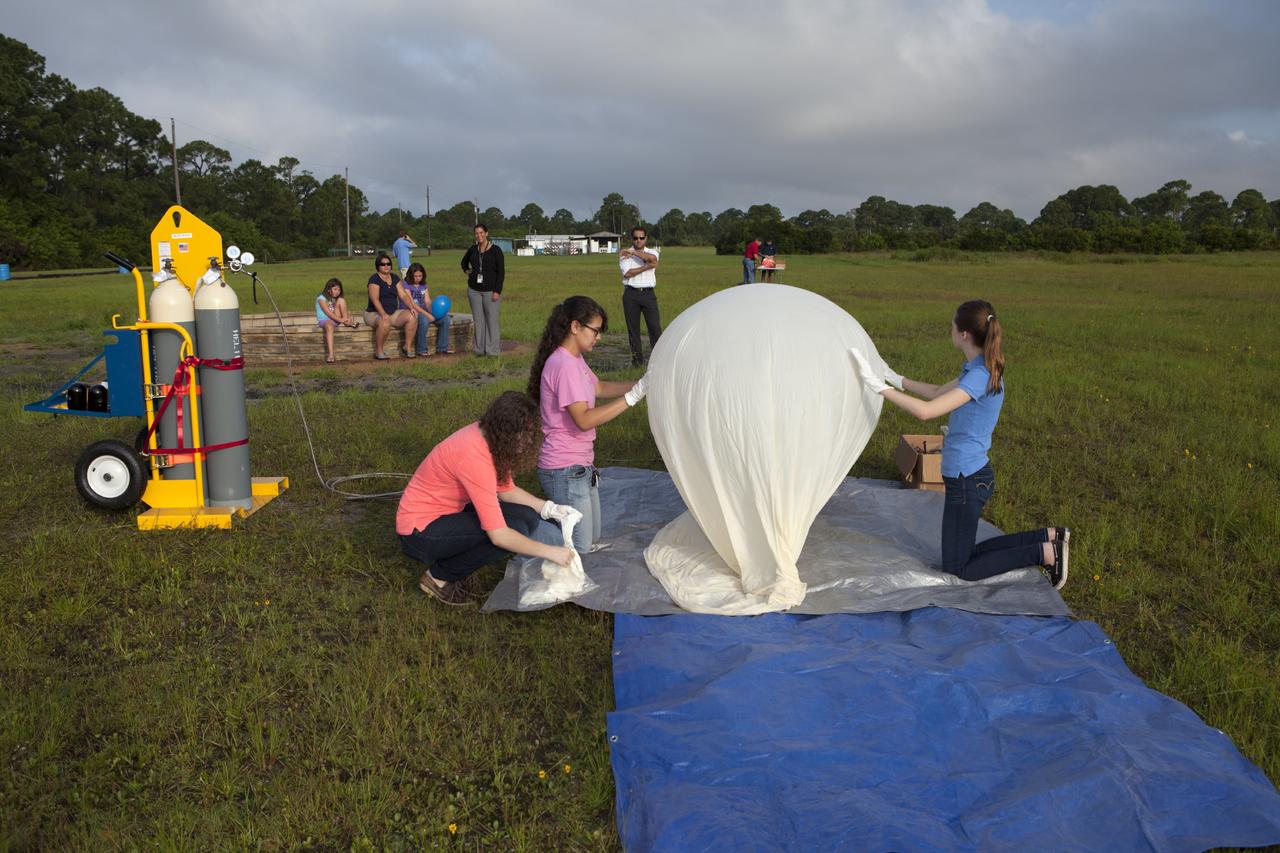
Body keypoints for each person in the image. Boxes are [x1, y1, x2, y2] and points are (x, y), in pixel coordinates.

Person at [849, 300, 1070, 589]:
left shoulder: (979, 376)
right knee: (964, 554)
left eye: (953, 325)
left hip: (967, 481)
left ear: (964, 334)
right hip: (970, 476)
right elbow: (938, 392)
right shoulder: (977, 366)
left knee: (960, 567)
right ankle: (1050, 537)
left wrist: (879, 388)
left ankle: (1044, 553)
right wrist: (895, 378)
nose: (950, 330)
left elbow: (926, 412)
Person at [397, 391, 578, 605]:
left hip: (445, 513)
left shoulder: (489, 438)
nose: (527, 441)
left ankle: (450, 561)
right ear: (504, 429)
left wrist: (549, 508)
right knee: (510, 534)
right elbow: (499, 536)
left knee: (527, 517)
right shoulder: (474, 457)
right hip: (420, 533)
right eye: (520, 434)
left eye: (529, 433)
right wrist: (551, 553)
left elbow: (506, 490)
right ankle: (438, 577)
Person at [527, 296, 648, 553]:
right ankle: (521, 532)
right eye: (595, 330)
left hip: (580, 466)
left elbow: (600, 387)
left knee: (590, 538)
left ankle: (547, 531)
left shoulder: (575, 360)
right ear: (575, 327)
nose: (599, 337)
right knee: (579, 547)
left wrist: (643, 384)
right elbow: (583, 419)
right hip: (564, 469)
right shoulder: (563, 365)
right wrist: (631, 398)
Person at [619, 226, 661, 366]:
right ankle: (637, 362)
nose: (638, 240)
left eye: (641, 238)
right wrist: (646, 266)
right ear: (632, 239)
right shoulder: (625, 254)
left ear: (646, 238)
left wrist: (635, 253)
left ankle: (658, 361)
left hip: (648, 294)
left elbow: (653, 259)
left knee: (654, 328)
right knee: (633, 330)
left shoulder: (652, 251)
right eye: (636, 238)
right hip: (631, 294)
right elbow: (628, 273)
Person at [461, 223, 504, 356]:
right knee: (478, 321)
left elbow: (501, 272)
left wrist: (497, 291)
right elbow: (463, 262)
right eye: (476, 233)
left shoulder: (496, 250)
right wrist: (469, 272)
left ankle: (492, 351)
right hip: (474, 290)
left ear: (486, 233)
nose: (479, 235)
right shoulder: (473, 249)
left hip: (490, 291)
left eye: (481, 233)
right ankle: (479, 350)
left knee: (491, 321)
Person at [365, 252, 418, 359]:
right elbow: (374, 299)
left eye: (388, 264)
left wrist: (411, 307)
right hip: (373, 313)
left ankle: (407, 347)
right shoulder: (374, 279)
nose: (386, 266)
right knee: (384, 322)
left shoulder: (394, 278)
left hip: (392, 312)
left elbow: (403, 295)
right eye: (383, 264)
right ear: (378, 266)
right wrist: (383, 314)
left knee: (412, 316)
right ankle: (379, 351)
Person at [398, 262, 454, 356]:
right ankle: (421, 349)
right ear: (411, 275)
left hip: (423, 310)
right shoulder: (405, 284)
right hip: (411, 310)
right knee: (424, 320)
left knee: (445, 319)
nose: (418, 278)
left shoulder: (424, 285)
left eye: (420, 276)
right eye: (415, 276)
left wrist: (432, 311)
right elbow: (411, 303)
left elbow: (427, 301)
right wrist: (427, 314)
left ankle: (442, 348)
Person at [315, 277, 358, 363]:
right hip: (325, 320)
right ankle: (331, 355)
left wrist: (347, 317)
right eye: (335, 289)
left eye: (339, 290)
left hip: (336, 318)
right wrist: (342, 320)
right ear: (328, 289)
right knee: (329, 325)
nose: (337, 291)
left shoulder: (336, 298)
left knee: (341, 300)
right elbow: (328, 313)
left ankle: (347, 322)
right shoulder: (321, 298)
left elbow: (341, 310)